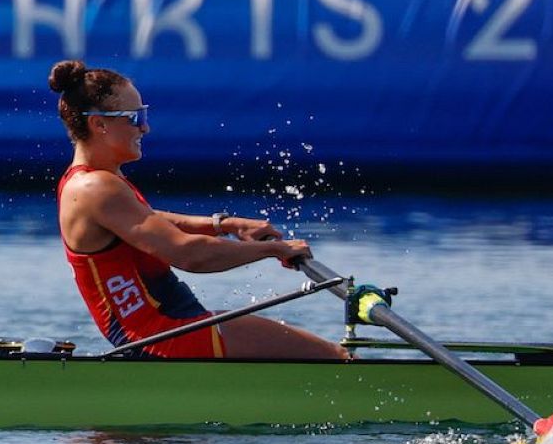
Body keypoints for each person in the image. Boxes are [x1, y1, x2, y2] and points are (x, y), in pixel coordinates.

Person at [50, 60, 348, 360]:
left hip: (169, 332)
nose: (145, 126)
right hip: (165, 338)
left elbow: (148, 220)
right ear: (99, 124)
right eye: (135, 117)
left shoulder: (88, 182)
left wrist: (227, 225)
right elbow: (189, 255)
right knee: (337, 358)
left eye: (144, 114)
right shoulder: (96, 188)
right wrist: (274, 250)